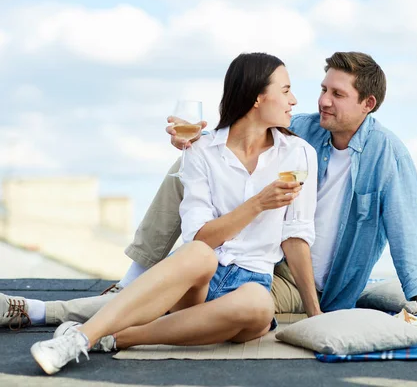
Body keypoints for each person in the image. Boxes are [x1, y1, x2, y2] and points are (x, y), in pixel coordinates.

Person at [0, 51, 417, 331]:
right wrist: (195, 142)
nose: (320, 100)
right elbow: (241, 130)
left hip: (306, 284)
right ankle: (134, 274)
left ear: (368, 103)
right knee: (186, 163)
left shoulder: (387, 155)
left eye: (337, 95)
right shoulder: (303, 130)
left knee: (170, 306)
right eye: (322, 88)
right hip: (256, 255)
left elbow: (407, 228)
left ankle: (50, 312)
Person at [28, 52, 320, 375]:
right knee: (199, 253)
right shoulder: (200, 152)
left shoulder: (299, 154)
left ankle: (120, 337)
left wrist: (316, 317)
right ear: (256, 97)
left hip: (251, 286)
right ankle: (78, 339)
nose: (293, 100)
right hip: (198, 282)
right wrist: (258, 204)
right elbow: (200, 236)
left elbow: (296, 237)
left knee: (260, 305)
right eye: (285, 90)